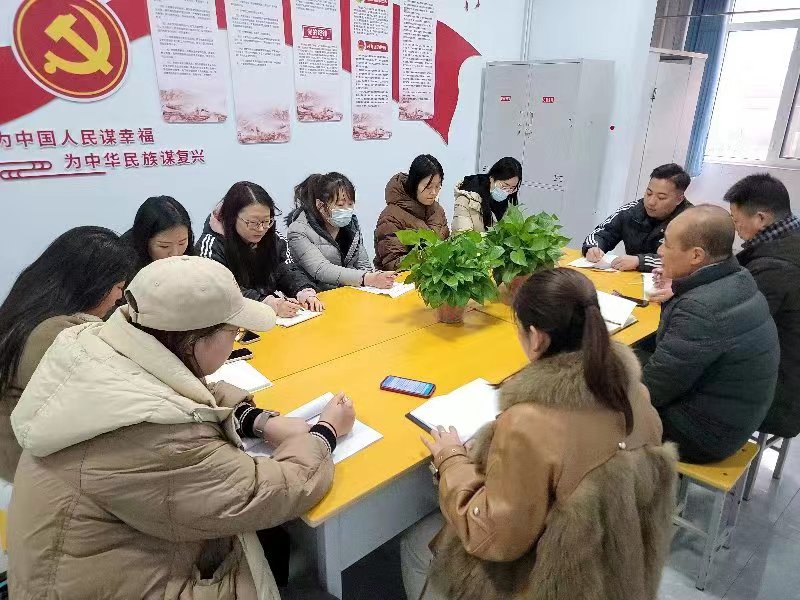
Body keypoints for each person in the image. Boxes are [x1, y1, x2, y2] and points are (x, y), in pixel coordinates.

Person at [8, 255, 356, 599]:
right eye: (233, 332)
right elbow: (272, 492)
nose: (235, 340)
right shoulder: (164, 439)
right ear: (193, 341)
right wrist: (325, 432)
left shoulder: (106, 344)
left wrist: (257, 420)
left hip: (83, 566)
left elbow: (185, 393)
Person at [401, 268, 676, 600]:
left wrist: (451, 459)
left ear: (536, 337)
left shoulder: (528, 424)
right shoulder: (635, 394)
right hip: (620, 571)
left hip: (553, 581)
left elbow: (494, 536)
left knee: (417, 545)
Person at [643, 205, 779, 464]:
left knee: (595, 407)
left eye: (667, 244)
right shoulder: (739, 277)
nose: (660, 251)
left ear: (696, 255)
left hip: (702, 434)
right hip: (734, 416)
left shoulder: (700, 308)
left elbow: (653, 389)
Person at [0, 226, 135, 482]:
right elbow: (99, 406)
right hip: (30, 468)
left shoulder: (31, 308)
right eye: (118, 287)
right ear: (93, 286)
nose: (119, 298)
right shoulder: (55, 334)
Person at [725, 174, 800, 440]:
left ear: (760, 218)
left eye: (736, 220)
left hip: (778, 392)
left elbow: (733, 328)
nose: (735, 228)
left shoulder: (775, 267)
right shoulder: (789, 241)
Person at [197, 181, 324, 317]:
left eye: (266, 221)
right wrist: (268, 303)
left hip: (269, 316)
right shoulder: (210, 246)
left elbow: (286, 268)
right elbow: (221, 291)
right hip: (231, 319)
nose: (261, 229)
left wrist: (303, 291)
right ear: (232, 218)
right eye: (253, 223)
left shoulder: (273, 236)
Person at [287, 172, 395, 290]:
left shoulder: (351, 226)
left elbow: (363, 264)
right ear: (320, 205)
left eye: (350, 204)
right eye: (340, 205)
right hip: (317, 295)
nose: (346, 210)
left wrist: (375, 280)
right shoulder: (298, 230)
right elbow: (320, 269)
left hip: (350, 292)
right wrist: (366, 278)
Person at [582, 163, 693, 272]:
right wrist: (593, 248)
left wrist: (640, 261)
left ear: (679, 199)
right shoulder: (632, 210)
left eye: (661, 197)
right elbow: (602, 232)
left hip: (670, 281)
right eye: (649, 193)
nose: (651, 202)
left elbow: (685, 261)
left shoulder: (691, 221)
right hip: (629, 278)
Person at [374, 155, 450, 270]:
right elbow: (393, 264)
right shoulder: (390, 216)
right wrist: (426, 257)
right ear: (414, 184)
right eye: (428, 187)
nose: (434, 192)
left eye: (438, 186)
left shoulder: (438, 211)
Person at [122, 195, 194, 275]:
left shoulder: (193, 260)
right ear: (144, 241)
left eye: (182, 243)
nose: (175, 254)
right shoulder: (123, 263)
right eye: (164, 246)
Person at [452, 157, 522, 233]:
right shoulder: (465, 200)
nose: (507, 192)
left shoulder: (507, 205)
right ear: (492, 178)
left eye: (512, 188)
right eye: (505, 185)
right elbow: (463, 235)